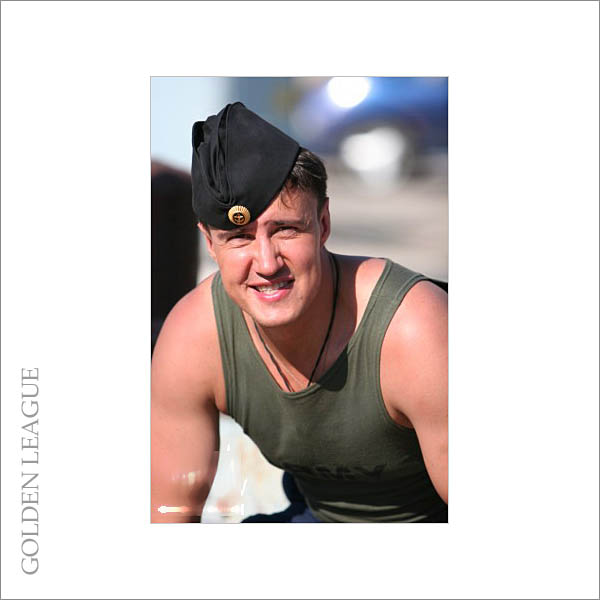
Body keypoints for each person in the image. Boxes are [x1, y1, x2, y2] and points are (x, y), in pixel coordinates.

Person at [151, 102, 448, 523]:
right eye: (239, 237)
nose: (266, 262)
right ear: (209, 243)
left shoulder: (412, 328)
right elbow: (168, 516)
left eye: (286, 229)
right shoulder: (196, 336)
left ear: (323, 223)